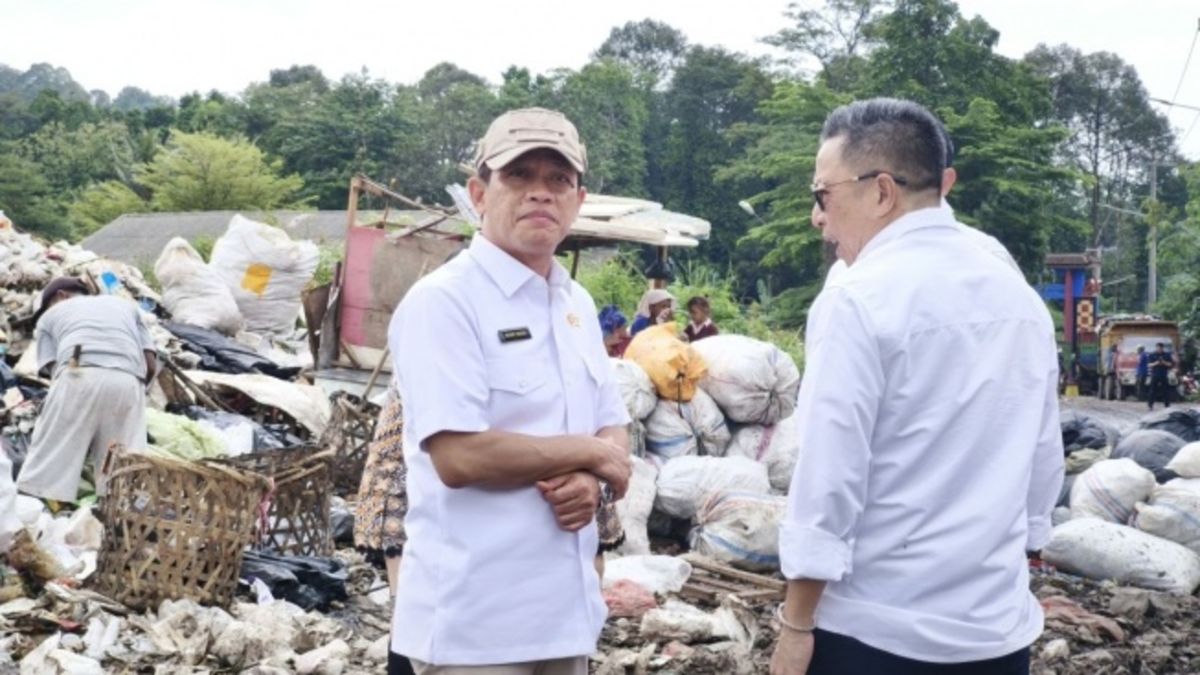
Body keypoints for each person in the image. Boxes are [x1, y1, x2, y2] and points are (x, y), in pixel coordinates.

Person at [770, 99, 1063, 675]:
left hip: (878, 634)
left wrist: (796, 624)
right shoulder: (1020, 298)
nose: (817, 217)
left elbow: (829, 479)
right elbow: (1042, 459)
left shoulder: (859, 297)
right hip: (997, 637)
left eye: (821, 194)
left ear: (882, 192)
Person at [387, 107, 633, 675]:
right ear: (479, 193)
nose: (539, 194)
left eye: (558, 180)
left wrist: (593, 477)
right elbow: (459, 456)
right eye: (518, 176)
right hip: (474, 630)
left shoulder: (575, 304)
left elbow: (609, 420)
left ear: (579, 199)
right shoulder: (445, 302)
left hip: (565, 617)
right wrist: (594, 456)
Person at [16, 277, 156, 504]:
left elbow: (53, 370)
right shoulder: (126, 307)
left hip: (77, 372)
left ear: (61, 295)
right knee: (122, 469)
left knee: (48, 461)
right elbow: (150, 364)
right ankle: (124, 523)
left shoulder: (48, 318)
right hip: (129, 380)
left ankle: (30, 519)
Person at [1148, 343, 1176, 410]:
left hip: (1164, 374)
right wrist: (1156, 363)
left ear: (1162, 348)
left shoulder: (1167, 355)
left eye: (1160, 348)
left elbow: (1170, 364)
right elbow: (1149, 365)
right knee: (1152, 391)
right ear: (1156, 348)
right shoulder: (1152, 354)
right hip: (1155, 375)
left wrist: (1164, 362)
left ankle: (1167, 405)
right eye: (1158, 348)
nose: (1159, 349)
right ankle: (1150, 405)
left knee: (1166, 391)